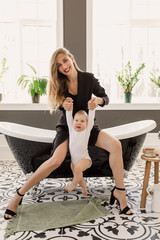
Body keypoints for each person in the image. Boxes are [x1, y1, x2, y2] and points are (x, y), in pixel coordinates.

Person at [4, 47, 132, 220]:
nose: (63, 66)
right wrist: (63, 105)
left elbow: (105, 98)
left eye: (65, 60)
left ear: (71, 58)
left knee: (116, 145)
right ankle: (19, 195)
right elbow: (56, 105)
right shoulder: (60, 84)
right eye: (58, 65)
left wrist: (98, 100)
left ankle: (120, 192)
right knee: (55, 160)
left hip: (87, 127)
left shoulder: (88, 78)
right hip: (67, 128)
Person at [65, 102, 95, 196]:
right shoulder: (71, 129)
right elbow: (69, 116)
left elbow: (91, 118)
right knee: (79, 176)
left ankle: (73, 184)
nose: (79, 123)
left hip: (85, 159)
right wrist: (69, 107)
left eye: (82, 121)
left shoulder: (86, 131)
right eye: (76, 120)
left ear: (87, 123)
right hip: (74, 162)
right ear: (73, 121)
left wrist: (92, 109)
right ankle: (84, 188)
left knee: (78, 169)